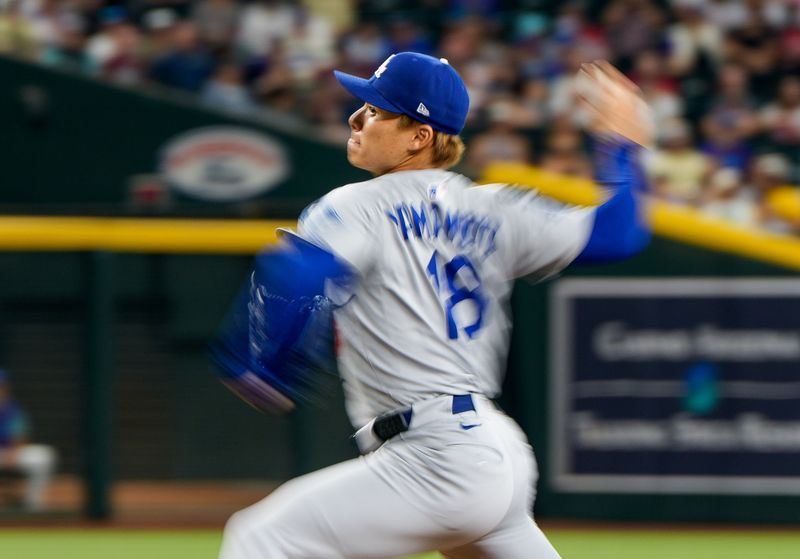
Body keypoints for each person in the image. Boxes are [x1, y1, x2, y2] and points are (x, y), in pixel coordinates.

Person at [213, 52, 653, 558]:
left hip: (434, 457)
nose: (357, 118)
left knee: (262, 537)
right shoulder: (494, 206)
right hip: (496, 452)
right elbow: (618, 233)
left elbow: (299, 271)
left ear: (419, 136)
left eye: (377, 110)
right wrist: (622, 143)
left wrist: (261, 366)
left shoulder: (357, 204)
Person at [0, 368, 56, 512]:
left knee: (44, 455)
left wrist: (13, 452)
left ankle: (32, 505)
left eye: (1, 386)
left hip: (11, 453)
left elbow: (21, 434)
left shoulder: (13, 409)